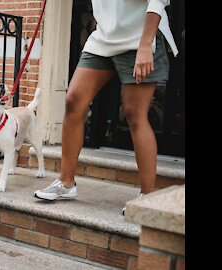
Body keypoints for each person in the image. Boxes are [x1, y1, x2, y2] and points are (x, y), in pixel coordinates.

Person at [33, 0, 178, 215]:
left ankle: (147, 196)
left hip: (141, 38)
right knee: (73, 101)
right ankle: (66, 182)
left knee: (134, 113)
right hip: (104, 39)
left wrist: (146, 46)